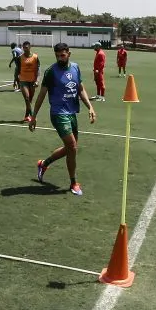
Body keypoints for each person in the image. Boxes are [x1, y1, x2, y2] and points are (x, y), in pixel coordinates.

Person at [28, 43, 97, 197]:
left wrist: (90, 107)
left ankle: (43, 164)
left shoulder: (75, 68)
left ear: (69, 54)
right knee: (72, 147)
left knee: (69, 148)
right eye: (57, 55)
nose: (60, 58)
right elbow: (41, 95)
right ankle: (73, 182)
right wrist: (33, 116)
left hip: (72, 113)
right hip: (58, 114)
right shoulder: (50, 72)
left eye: (63, 55)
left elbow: (80, 89)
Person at [18, 41, 41, 122]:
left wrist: (37, 81)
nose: (25, 49)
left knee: (30, 100)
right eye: (24, 48)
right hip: (23, 80)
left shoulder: (35, 57)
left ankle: (26, 116)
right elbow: (17, 69)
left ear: (30, 47)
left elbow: (38, 70)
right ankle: (32, 116)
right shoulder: (20, 57)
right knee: (27, 98)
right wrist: (15, 80)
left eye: (26, 48)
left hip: (32, 81)